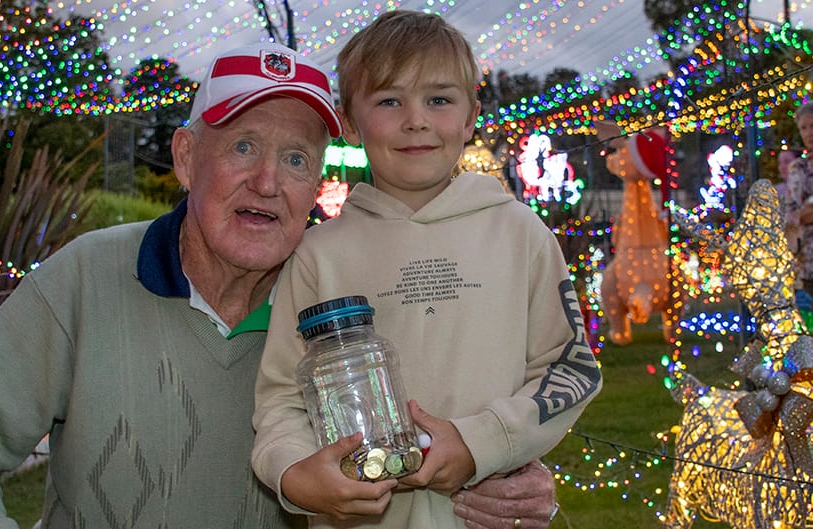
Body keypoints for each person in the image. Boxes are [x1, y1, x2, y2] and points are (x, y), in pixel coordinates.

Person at [0, 42, 561, 529]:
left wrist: (505, 473)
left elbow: (444, 425)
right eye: (242, 146)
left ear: (317, 181)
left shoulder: (345, 296)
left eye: (296, 158)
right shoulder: (88, 277)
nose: (267, 181)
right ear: (187, 157)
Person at [251, 11, 601, 529]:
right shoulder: (318, 255)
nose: (416, 119)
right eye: (389, 101)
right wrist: (299, 476)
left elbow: (569, 370)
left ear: (470, 116)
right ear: (350, 119)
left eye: (438, 99)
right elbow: (281, 397)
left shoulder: (521, 234)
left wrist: (481, 442)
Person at [788, 103, 813, 296]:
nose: (808, 133)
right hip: (808, 260)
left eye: (812, 126)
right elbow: (792, 213)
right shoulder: (797, 168)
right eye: (803, 128)